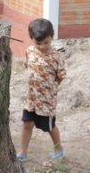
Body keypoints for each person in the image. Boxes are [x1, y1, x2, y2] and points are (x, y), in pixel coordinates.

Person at [17, 18, 66, 163]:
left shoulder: (56, 57)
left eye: (46, 43)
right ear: (32, 39)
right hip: (31, 99)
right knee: (27, 124)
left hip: (46, 101)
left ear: (52, 37)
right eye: (38, 43)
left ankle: (59, 149)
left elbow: (60, 77)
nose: (43, 46)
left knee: (50, 126)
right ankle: (23, 152)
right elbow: (28, 67)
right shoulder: (30, 52)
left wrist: (49, 88)